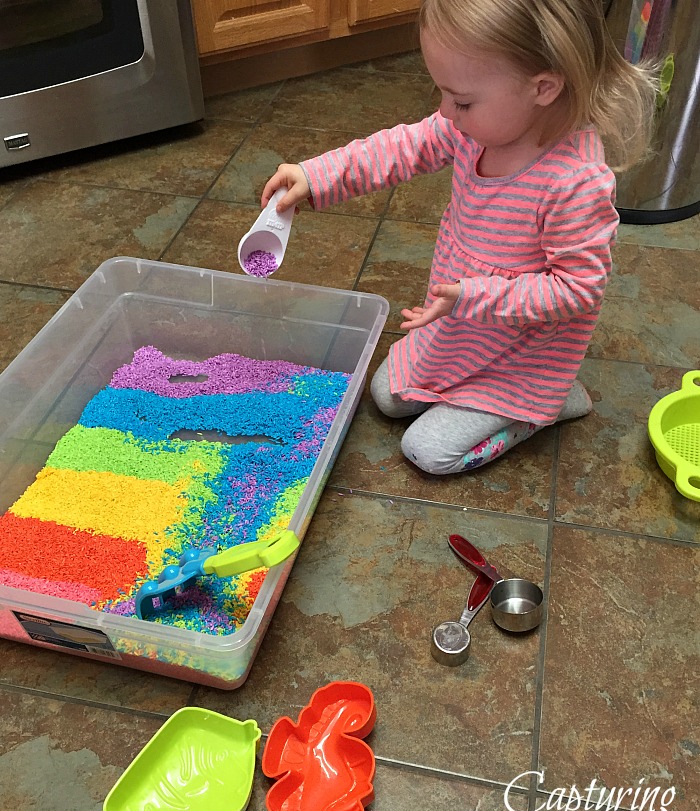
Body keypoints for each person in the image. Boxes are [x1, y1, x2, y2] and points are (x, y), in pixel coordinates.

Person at [261, 0, 659, 474]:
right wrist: (318, 174)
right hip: (464, 326)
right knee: (386, 396)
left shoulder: (574, 182)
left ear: (544, 88)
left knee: (428, 452)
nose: (445, 112)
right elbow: (401, 147)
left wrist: (475, 294)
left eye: (462, 100)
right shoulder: (470, 128)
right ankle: (497, 392)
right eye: (443, 93)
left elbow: (578, 288)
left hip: (522, 353)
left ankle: (545, 405)